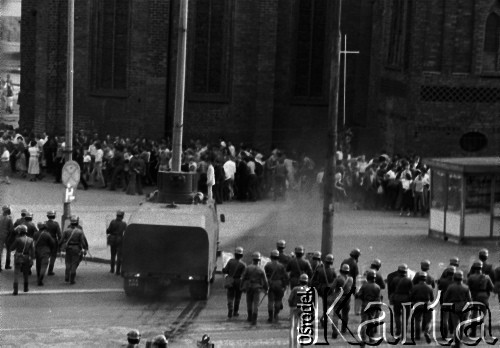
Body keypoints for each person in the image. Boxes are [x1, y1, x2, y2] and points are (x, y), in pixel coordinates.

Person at [443, 270, 471, 347]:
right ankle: (459, 343)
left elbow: (445, 298)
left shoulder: (451, 287)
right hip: (464, 307)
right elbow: (469, 300)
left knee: (456, 326)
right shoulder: (466, 287)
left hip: (454, 307)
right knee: (462, 326)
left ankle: (457, 343)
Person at [240, 251, 269, 325]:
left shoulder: (248, 268)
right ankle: (254, 318)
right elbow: (265, 280)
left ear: (253, 259)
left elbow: (243, 278)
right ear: (259, 260)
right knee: (256, 303)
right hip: (257, 288)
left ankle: (249, 317)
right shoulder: (261, 270)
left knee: (249, 302)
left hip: (249, 287)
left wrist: (241, 286)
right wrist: (266, 288)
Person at [467, 260, 494, 338]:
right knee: (483, 315)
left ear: (474, 268)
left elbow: (467, 288)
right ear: (481, 268)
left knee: (474, 315)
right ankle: (483, 332)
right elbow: (492, 288)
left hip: (475, 297)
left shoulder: (471, 277)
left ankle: (473, 332)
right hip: (484, 297)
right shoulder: (486, 277)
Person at [60, 215, 89, 284]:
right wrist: (85, 248)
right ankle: (72, 279)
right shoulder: (79, 231)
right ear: (77, 222)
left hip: (68, 248)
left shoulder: (66, 230)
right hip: (76, 248)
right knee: (74, 263)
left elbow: (61, 240)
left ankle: (67, 276)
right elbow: (83, 240)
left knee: (67, 262)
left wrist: (60, 247)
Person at [356, 269, 382, 344]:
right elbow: (378, 299)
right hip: (373, 306)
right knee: (371, 321)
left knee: (364, 322)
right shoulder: (377, 287)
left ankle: (363, 339)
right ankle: (371, 338)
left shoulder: (364, 286)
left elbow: (359, 295)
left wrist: (357, 294)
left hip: (365, 305)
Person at [264, 249, 289, 323]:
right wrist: (285, 285)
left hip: (271, 284)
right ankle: (276, 315)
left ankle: (270, 317)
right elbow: (285, 277)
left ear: (271, 256)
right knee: (278, 300)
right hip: (279, 284)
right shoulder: (281, 266)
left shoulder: (267, 265)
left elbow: (265, 275)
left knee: (270, 301)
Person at [222, 246, 246, 319]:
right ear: (241, 255)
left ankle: (230, 309)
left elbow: (225, 270)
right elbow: (244, 275)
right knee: (238, 297)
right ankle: (235, 311)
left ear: (235, 254)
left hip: (231, 280)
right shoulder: (243, 264)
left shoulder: (230, 261)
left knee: (230, 296)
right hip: (238, 281)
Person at [389, 264, 413, 337]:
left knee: (397, 315)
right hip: (406, 299)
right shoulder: (409, 280)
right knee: (405, 316)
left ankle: (398, 329)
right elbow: (412, 290)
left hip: (396, 298)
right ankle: (404, 331)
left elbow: (391, 290)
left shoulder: (394, 279)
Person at [410, 271, 434, 343]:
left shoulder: (414, 287)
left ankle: (417, 336)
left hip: (417, 304)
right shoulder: (429, 287)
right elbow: (432, 298)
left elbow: (411, 297)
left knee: (417, 320)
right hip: (427, 304)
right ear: (425, 278)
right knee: (429, 320)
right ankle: (427, 332)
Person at [10, 225, 35, 295]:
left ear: (20, 231)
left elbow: (12, 248)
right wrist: (32, 259)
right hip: (26, 257)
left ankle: (15, 290)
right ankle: (26, 288)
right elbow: (33, 251)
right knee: (25, 273)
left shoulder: (18, 239)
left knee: (16, 273)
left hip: (18, 256)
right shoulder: (30, 239)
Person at [107, 210, 127, 275]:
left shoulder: (112, 222)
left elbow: (108, 230)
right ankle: (118, 271)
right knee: (119, 256)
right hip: (120, 240)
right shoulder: (124, 224)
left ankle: (112, 269)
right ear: (122, 216)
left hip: (112, 239)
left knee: (112, 255)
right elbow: (126, 232)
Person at [341, 248, 361, 314]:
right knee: (358, 296)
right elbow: (356, 275)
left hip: (343, 281)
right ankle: (357, 311)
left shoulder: (344, 261)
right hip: (352, 283)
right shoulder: (354, 263)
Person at [45, 210, 62, 276]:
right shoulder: (56, 224)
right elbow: (59, 235)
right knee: (53, 256)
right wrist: (60, 243)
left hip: (46, 240)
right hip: (54, 241)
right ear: (54, 216)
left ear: (47, 216)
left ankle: (43, 268)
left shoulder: (45, 223)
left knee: (46, 255)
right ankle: (50, 270)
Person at [0, 205, 14, 271]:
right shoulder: (9, 218)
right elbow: (11, 229)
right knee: (8, 250)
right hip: (6, 236)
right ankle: (7, 265)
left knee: (0, 251)